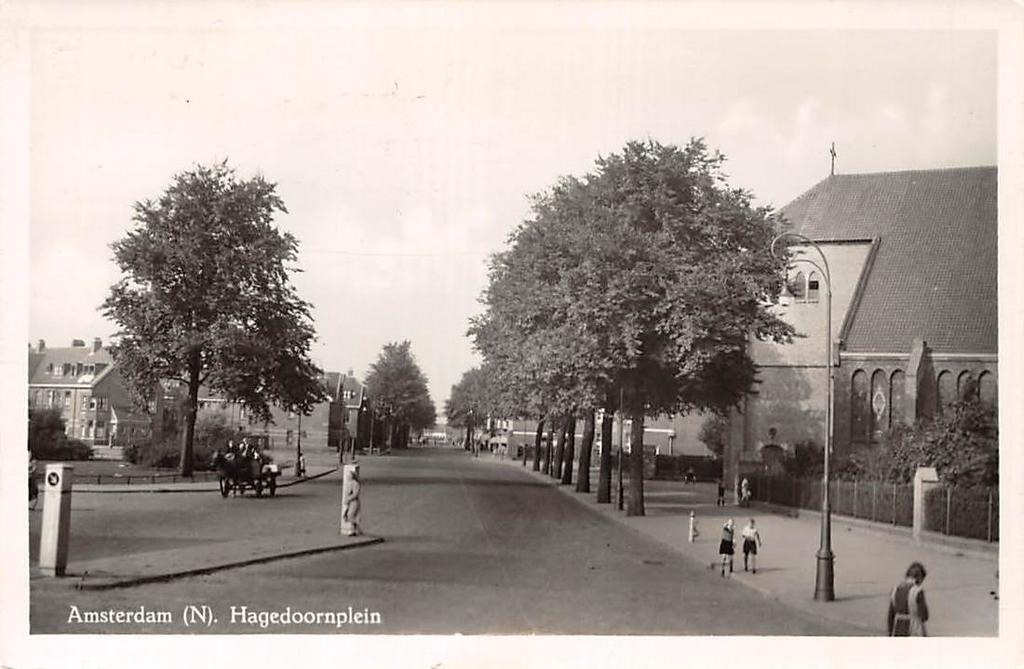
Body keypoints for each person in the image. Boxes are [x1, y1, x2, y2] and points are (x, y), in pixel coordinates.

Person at [887, 562, 929, 636]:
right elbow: (924, 616)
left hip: (897, 628)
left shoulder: (895, 590)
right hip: (914, 629)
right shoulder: (918, 591)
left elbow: (890, 616)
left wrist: (890, 633)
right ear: (920, 578)